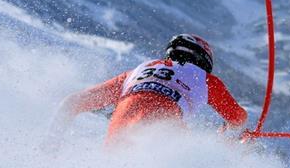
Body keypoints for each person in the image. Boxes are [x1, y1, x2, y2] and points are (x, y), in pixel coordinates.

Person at [47, 33, 248, 146]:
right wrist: (228, 136)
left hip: (115, 145)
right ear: (204, 61)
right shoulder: (206, 80)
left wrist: (51, 145)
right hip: (160, 145)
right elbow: (238, 118)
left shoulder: (135, 72)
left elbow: (71, 103)